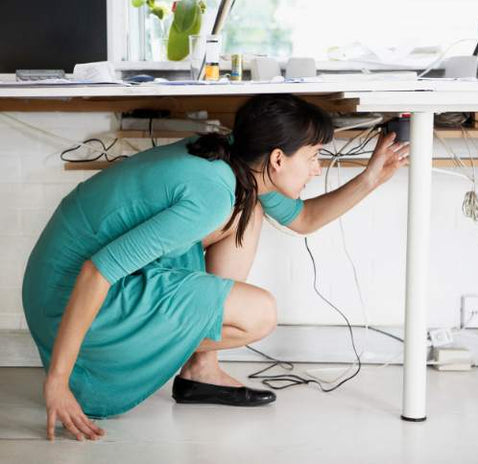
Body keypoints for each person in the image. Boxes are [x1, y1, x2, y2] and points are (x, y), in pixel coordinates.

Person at [21, 93, 409, 441]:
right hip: (68, 299)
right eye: (313, 157)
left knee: (250, 211)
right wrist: (57, 382)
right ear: (277, 158)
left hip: (63, 283)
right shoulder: (211, 196)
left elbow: (303, 219)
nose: (317, 169)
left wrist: (370, 178)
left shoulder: (231, 159)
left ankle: (200, 372)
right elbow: (97, 271)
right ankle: (112, 358)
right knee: (259, 315)